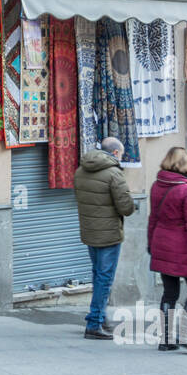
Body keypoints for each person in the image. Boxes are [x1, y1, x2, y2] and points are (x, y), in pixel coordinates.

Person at [146, 146, 187, 352]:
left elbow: (153, 219)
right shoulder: (186, 190)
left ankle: (165, 340)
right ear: (185, 164)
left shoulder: (157, 185)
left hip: (162, 243)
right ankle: (184, 335)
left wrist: (151, 244)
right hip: (184, 248)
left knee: (169, 293)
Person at [74, 137, 136, 340]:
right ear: (116, 153)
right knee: (105, 277)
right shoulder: (114, 174)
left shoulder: (80, 170)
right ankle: (94, 323)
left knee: (98, 274)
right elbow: (126, 208)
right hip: (109, 234)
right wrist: (132, 204)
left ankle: (100, 317)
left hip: (90, 231)